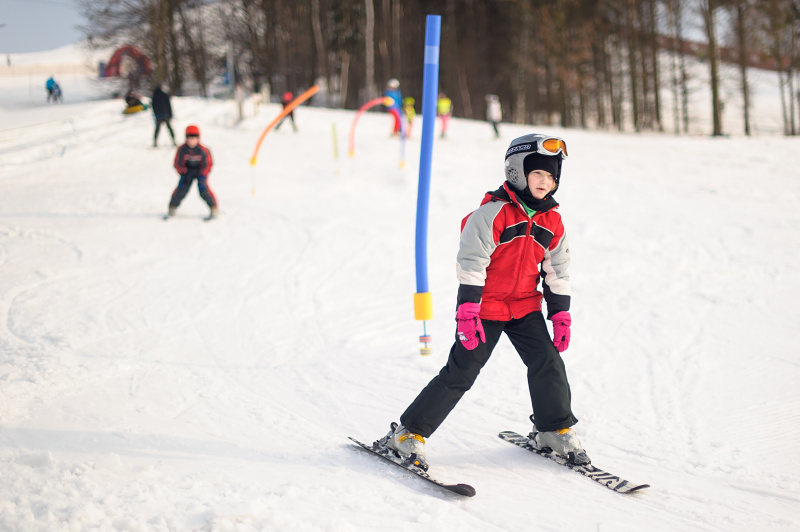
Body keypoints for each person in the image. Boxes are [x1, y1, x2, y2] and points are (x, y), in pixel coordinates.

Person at [380, 133, 589, 470]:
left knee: (548, 363)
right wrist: (467, 311)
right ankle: (407, 435)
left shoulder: (553, 222)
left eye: (551, 176)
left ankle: (553, 428)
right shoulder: (492, 214)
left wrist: (560, 315)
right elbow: (472, 264)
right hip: (485, 308)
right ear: (517, 171)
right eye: (538, 173)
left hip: (524, 307)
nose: (545, 182)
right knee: (461, 372)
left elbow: (557, 270)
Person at [166, 125, 218, 220]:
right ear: (186, 138)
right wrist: (182, 171)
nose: (192, 141)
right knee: (181, 190)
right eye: (190, 138)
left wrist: (203, 174)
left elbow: (208, 163)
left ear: (198, 138)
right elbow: (177, 162)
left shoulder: (203, 150)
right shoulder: (182, 149)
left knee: (204, 190)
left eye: (194, 138)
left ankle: (213, 207)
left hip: (200, 172)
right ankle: (172, 207)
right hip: (187, 172)